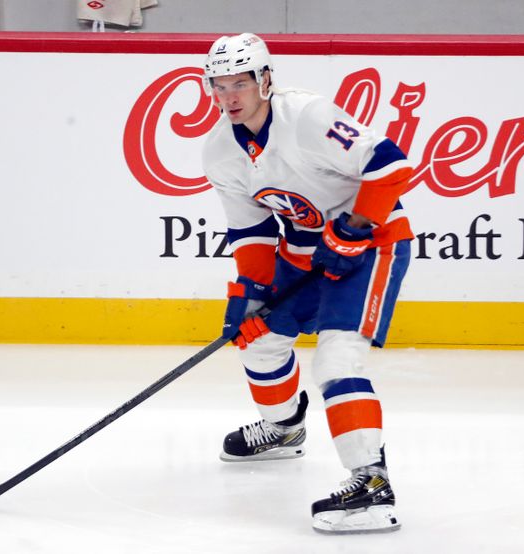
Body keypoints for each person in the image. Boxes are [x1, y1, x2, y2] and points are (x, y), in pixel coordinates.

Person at [201, 33, 413, 534]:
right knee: (259, 344)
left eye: (240, 83)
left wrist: (353, 229)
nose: (229, 96)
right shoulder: (218, 152)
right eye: (219, 85)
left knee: (336, 358)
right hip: (301, 252)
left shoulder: (308, 118)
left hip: (371, 242)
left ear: (265, 80)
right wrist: (251, 294)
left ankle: (372, 483)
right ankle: (283, 429)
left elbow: (390, 164)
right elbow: (251, 230)